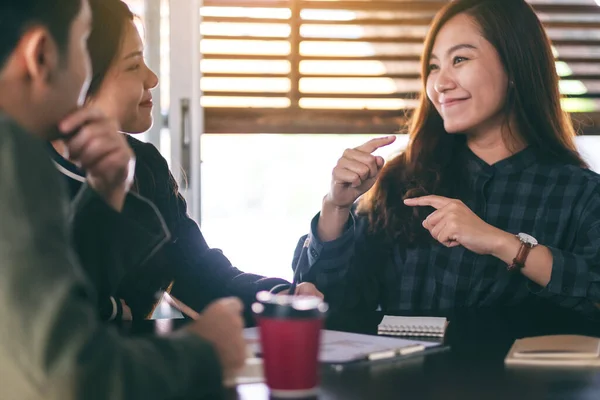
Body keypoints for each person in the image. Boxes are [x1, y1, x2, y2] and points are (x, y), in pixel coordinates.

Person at [0, 0, 248, 398]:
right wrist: (203, 350)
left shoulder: (137, 166)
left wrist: (103, 197)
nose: (151, 78)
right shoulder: (14, 157)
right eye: (83, 43)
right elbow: (73, 376)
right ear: (41, 54)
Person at [293, 0, 600, 319]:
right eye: (434, 67)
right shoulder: (400, 179)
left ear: (515, 65)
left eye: (460, 59)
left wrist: (500, 242)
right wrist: (336, 207)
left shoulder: (581, 194)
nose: (440, 84)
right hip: (404, 371)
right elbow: (330, 303)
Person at [49, 0, 322, 323]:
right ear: (81, 72)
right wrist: (108, 309)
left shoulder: (145, 167)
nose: (152, 79)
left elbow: (196, 272)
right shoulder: (21, 170)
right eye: (134, 65)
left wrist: (278, 297)